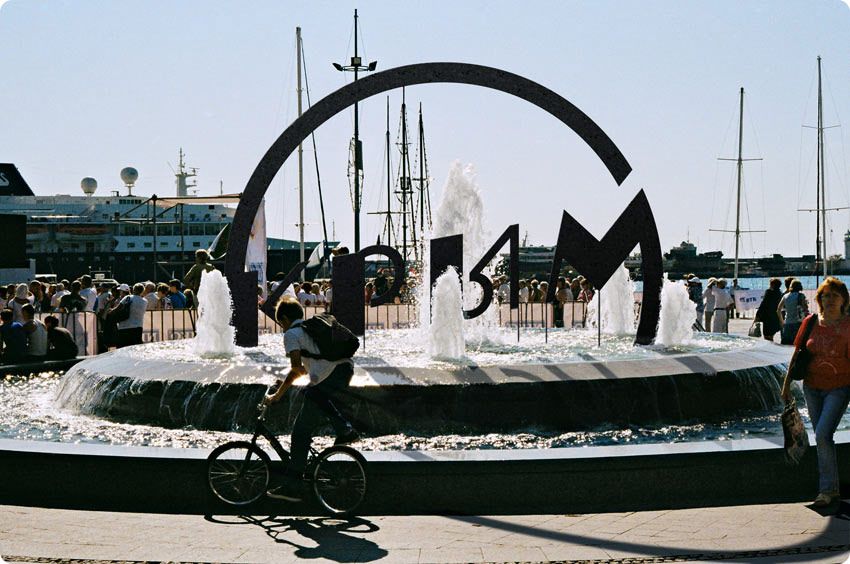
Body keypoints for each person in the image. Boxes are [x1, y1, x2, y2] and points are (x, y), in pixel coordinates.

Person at [263, 298, 359, 502]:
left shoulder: (291, 334)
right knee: (313, 395)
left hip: (331, 376)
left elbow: (296, 369)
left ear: (285, 319)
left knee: (300, 432)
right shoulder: (309, 330)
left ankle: (293, 487)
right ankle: (344, 430)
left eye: (280, 323)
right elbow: (310, 366)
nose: (282, 328)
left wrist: (278, 394)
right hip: (344, 370)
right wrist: (284, 382)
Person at [781, 277, 850, 507]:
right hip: (811, 387)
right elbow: (797, 353)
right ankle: (832, 489)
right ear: (819, 299)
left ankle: (827, 490)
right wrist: (786, 384)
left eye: (834, 295)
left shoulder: (848, 325)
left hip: (838, 388)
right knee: (823, 437)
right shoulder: (810, 322)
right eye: (825, 295)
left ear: (844, 300)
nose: (829, 300)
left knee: (822, 434)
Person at [111, 283, 147, 348]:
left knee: (122, 348)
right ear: (142, 291)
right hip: (138, 327)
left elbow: (118, 308)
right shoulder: (145, 301)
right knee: (136, 348)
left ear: (133, 290)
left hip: (125, 327)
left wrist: (111, 311)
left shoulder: (128, 298)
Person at [778, 279, 809, 345]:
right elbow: (805, 308)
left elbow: (778, 309)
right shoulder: (801, 296)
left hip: (787, 323)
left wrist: (782, 321)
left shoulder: (785, 296)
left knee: (786, 343)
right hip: (798, 322)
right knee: (797, 344)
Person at [754, 278, 782, 342]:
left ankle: (769, 347)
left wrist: (757, 316)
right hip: (775, 316)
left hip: (768, 317)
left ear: (772, 285)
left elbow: (763, 304)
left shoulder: (769, 292)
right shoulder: (779, 293)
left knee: (766, 336)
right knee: (771, 335)